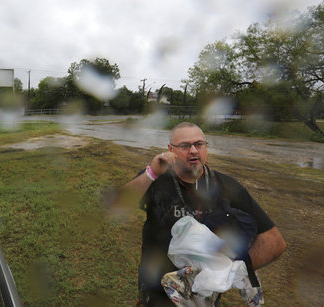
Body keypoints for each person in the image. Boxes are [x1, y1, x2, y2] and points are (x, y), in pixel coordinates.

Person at [116, 122, 287, 306]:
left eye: (199, 144)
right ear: (170, 149)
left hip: (203, 297)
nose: (193, 151)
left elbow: (274, 243)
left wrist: (226, 271)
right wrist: (151, 173)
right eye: (184, 146)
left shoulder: (227, 187)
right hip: (156, 292)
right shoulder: (157, 179)